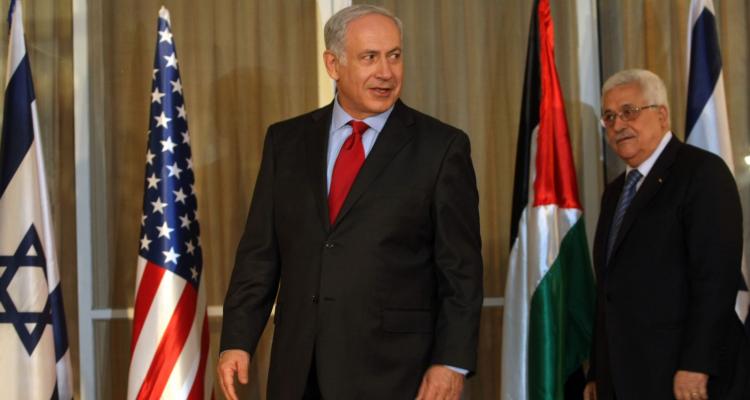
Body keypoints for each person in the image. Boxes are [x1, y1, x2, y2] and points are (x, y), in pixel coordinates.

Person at [216, 5, 483, 400]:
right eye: (369, 57)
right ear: (333, 64)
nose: (386, 72)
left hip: (396, 372)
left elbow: (460, 269)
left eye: (394, 55)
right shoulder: (286, 142)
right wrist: (237, 340)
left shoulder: (441, 148)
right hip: (299, 370)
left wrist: (451, 362)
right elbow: (260, 253)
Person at [584, 69, 749, 400]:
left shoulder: (702, 173)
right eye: (609, 116)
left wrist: (697, 363)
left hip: (682, 375)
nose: (618, 124)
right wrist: (599, 372)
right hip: (625, 376)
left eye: (629, 111)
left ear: (662, 115)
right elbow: (609, 291)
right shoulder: (615, 192)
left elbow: (716, 279)